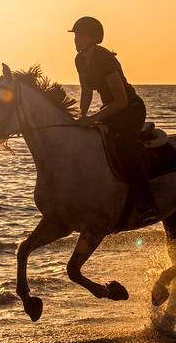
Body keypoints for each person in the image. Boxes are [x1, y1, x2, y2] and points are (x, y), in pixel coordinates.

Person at [69, 16, 161, 223]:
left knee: (124, 146)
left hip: (130, 110)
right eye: (75, 36)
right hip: (111, 110)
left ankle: (147, 204)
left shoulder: (105, 59)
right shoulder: (80, 60)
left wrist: (93, 117)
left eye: (80, 36)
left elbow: (121, 100)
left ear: (93, 38)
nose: (75, 40)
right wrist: (82, 116)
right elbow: (86, 91)